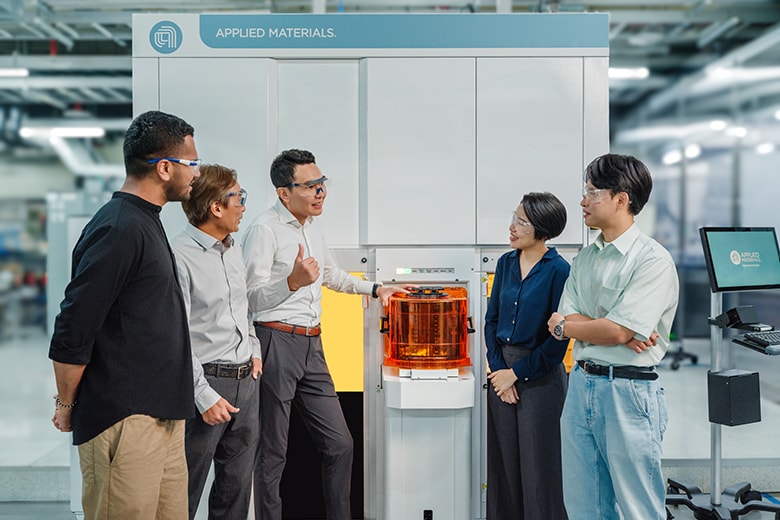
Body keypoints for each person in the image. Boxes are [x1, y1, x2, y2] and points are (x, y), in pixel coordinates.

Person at [242, 148, 411, 520]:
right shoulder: (263, 229)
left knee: (340, 444)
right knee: (273, 451)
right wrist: (290, 282)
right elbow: (249, 298)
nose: (321, 192)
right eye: (311, 186)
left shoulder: (312, 226)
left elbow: (331, 275)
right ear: (284, 192)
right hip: (274, 341)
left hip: (312, 344)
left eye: (322, 184)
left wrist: (374, 289)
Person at [49, 110, 200, 519]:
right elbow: (72, 329)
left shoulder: (147, 222)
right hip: (126, 417)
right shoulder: (119, 228)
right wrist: (65, 405)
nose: (196, 174)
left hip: (164, 415)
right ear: (165, 168)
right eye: (192, 164)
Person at [547, 153, 679, 520]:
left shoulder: (652, 260)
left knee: (638, 506)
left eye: (592, 193)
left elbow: (612, 329)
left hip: (628, 393)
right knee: (583, 503)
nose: (583, 201)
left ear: (622, 199)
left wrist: (580, 328)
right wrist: (608, 329)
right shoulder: (586, 258)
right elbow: (586, 322)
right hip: (582, 385)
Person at [172, 164, 263, 519]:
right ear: (215, 207)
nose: (243, 205)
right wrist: (203, 396)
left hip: (246, 382)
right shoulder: (179, 255)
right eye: (238, 197)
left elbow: (241, 309)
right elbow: (175, 334)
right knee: (185, 489)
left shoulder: (233, 247)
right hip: (205, 384)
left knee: (235, 490)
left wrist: (253, 348)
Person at [484, 192, 570, 520]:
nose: (512, 226)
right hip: (502, 372)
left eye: (521, 222)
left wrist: (516, 374)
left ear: (542, 228)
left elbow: (556, 343)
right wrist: (499, 372)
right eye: (514, 217)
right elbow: (492, 320)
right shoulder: (506, 263)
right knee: (504, 466)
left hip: (540, 377)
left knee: (539, 469)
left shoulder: (559, 270)